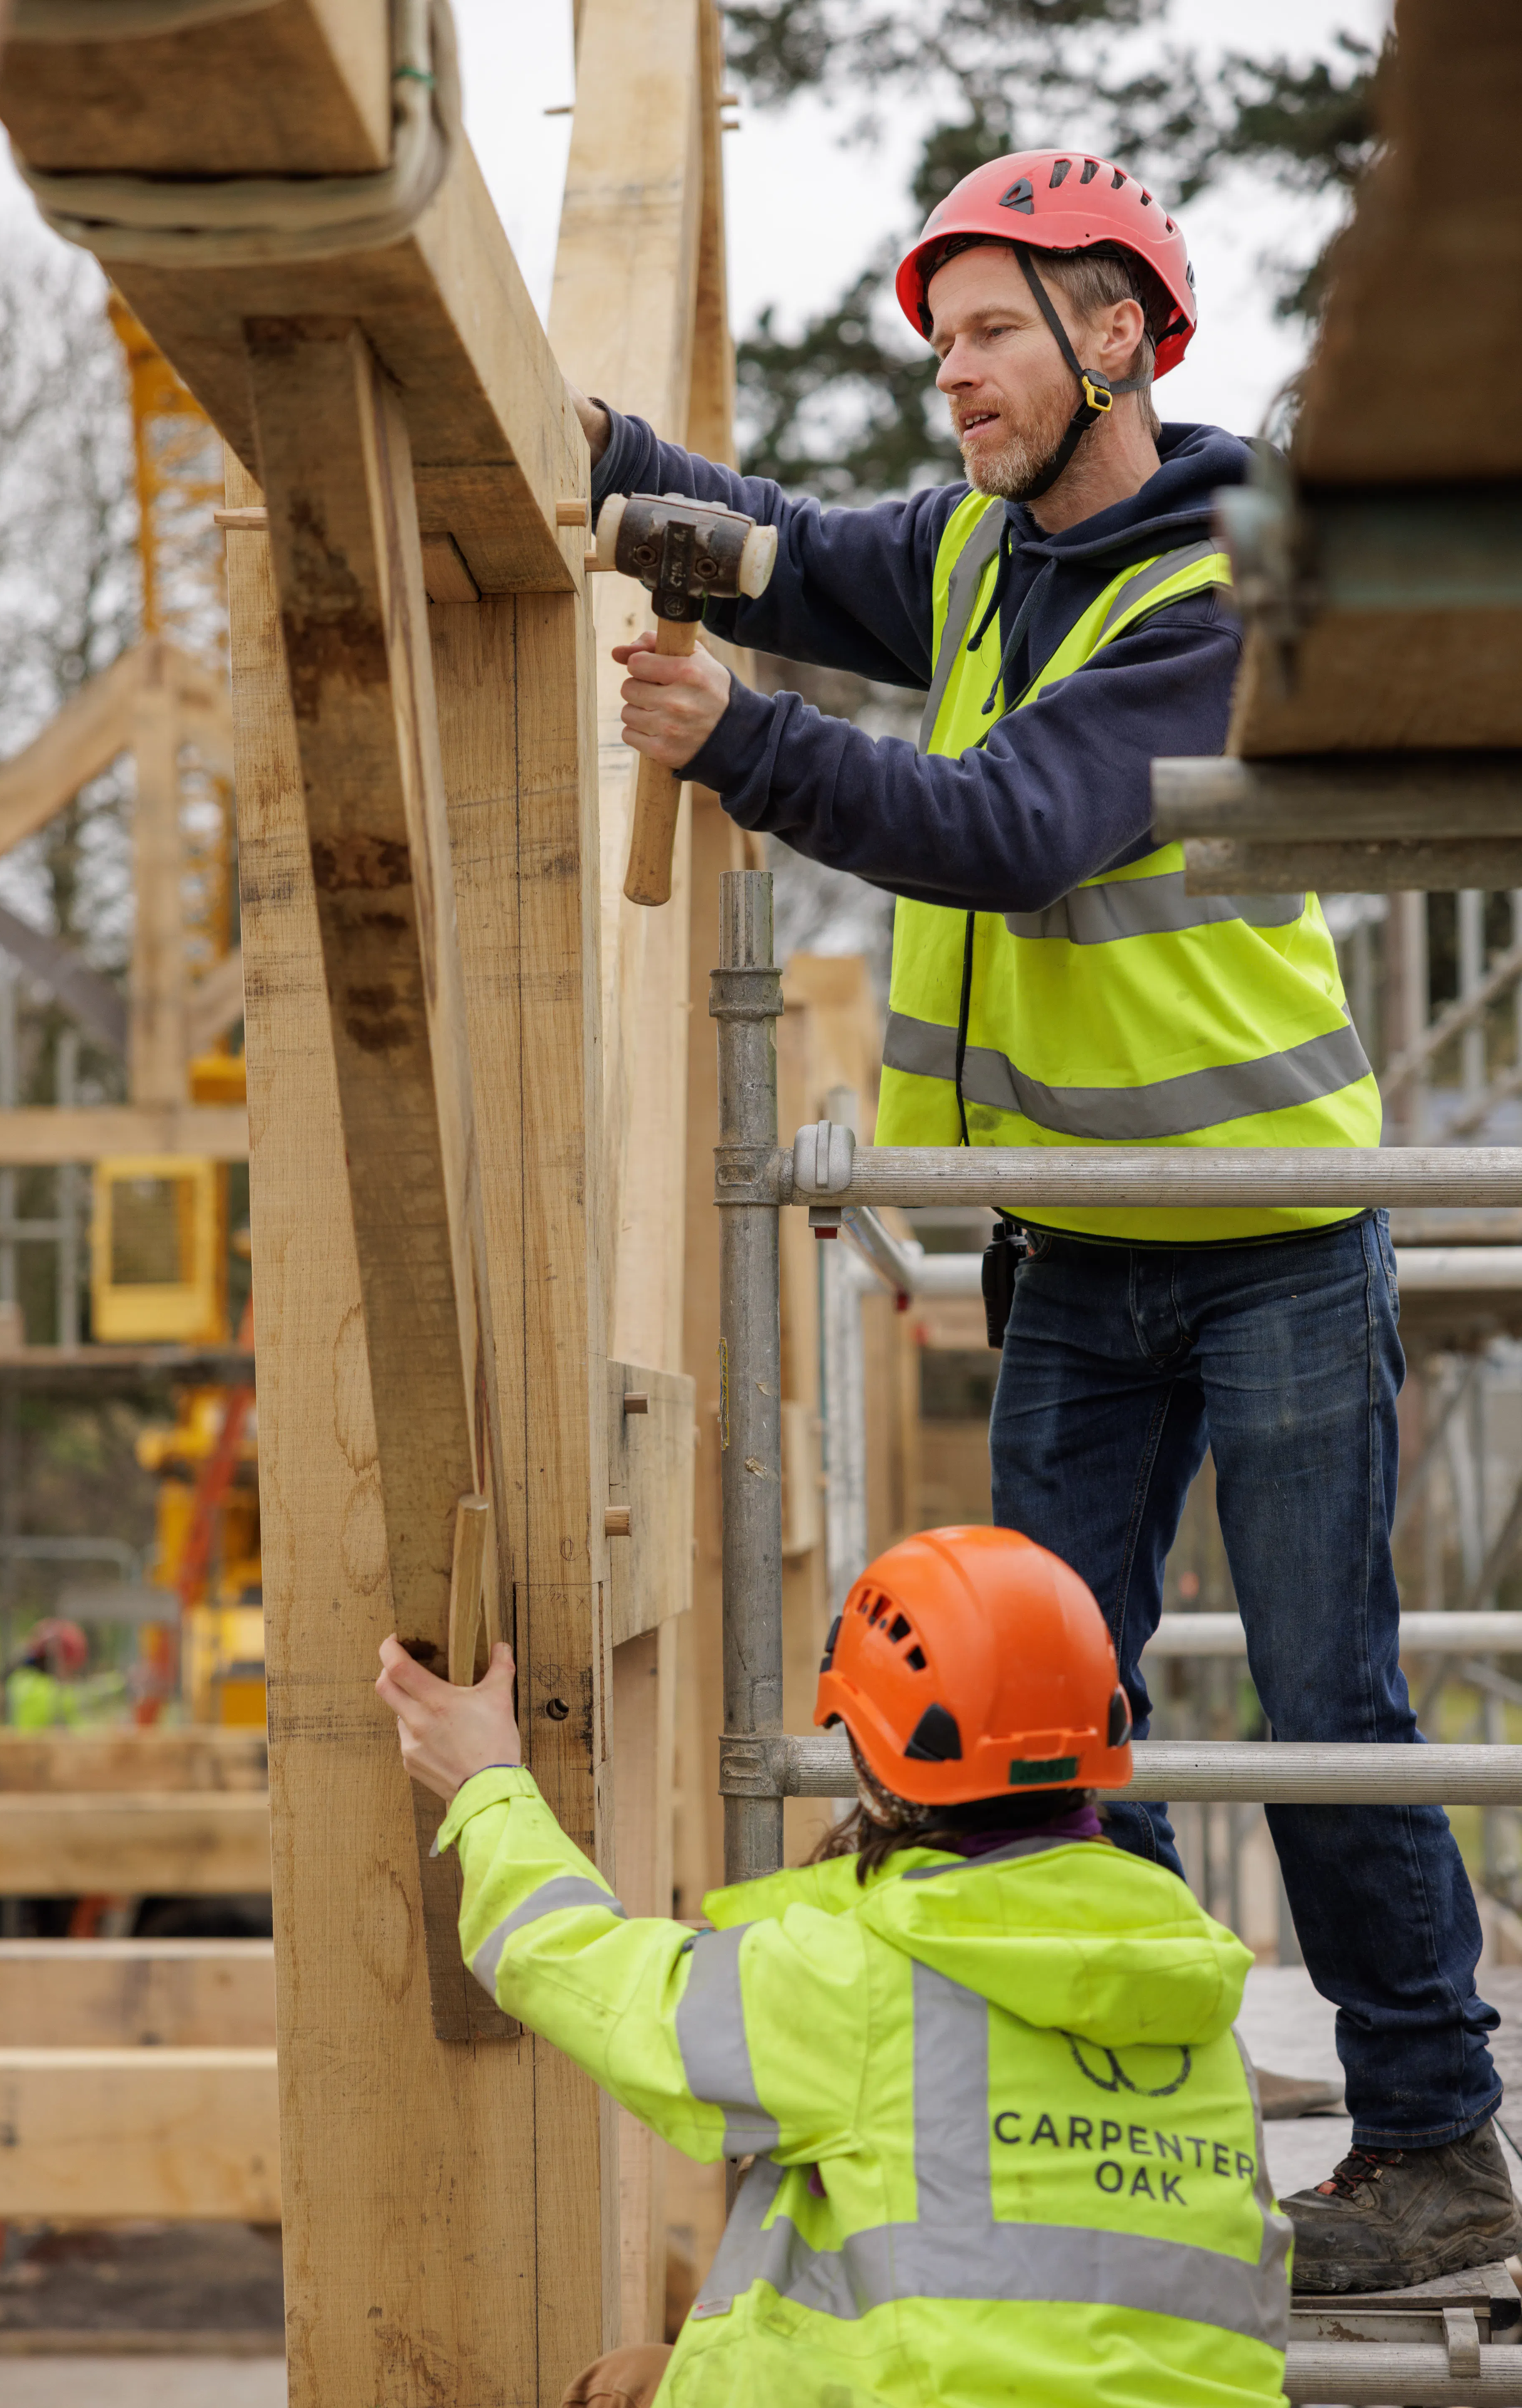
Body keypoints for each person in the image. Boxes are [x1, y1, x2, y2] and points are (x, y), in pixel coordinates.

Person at [563, 144, 1519, 2293]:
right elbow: (801, 557)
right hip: (1077, 1242)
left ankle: (1437, 2137)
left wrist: (735, 740)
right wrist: (614, 461)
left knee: (1319, 1698)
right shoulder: (978, 553)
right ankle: (1161, 2090)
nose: (952, 376)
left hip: (1270, 1220)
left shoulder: (1215, 590)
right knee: (1037, 1719)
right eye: (938, 341)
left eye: (991, 330)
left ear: (1121, 338)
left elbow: (1004, 830)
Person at [377, 1524, 1291, 2408]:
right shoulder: (1206, 2029)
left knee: (614, 2389)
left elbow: (577, 1965)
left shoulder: (856, 1984)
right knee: (657, 2367)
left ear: (872, 1767)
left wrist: (485, 1781)